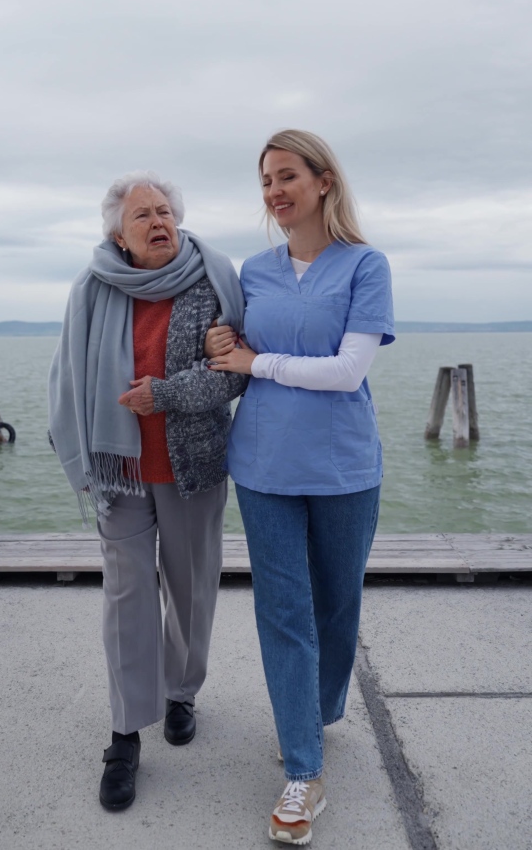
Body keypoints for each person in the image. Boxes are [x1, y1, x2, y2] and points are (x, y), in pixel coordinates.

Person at [207, 130, 394, 846]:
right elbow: (228, 342)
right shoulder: (252, 269)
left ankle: (317, 711)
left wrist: (258, 362)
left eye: (287, 175)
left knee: (336, 603)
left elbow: (347, 370)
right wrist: (225, 348)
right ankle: (303, 767)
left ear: (322, 181)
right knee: (284, 611)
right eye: (265, 181)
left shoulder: (365, 265)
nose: (274, 191)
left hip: (345, 466)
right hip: (262, 465)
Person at [48, 170, 247, 812]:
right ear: (119, 233)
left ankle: (181, 693)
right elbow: (67, 378)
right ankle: (125, 731)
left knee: (190, 591)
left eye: (165, 210)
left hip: (192, 466)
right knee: (127, 597)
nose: (159, 221)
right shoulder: (93, 286)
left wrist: (162, 394)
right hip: (120, 470)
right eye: (144, 215)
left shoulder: (213, 277)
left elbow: (231, 376)